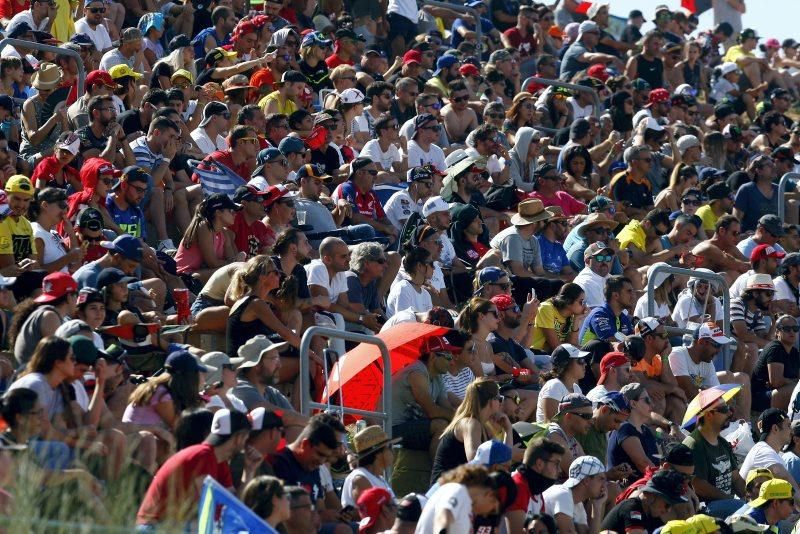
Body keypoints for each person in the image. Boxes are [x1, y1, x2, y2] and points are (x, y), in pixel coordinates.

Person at [136, 409, 251, 527]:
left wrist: (250, 470)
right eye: (246, 438)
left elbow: (233, 506)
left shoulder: (214, 458)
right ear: (239, 438)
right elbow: (207, 510)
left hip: (170, 525)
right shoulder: (202, 456)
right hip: (155, 527)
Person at [430, 378, 513, 484]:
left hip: (459, 485)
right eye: (499, 399)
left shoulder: (483, 426)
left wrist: (508, 430)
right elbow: (475, 460)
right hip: (445, 490)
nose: (501, 404)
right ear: (491, 402)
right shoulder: (470, 423)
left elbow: (505, 460)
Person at [683, 393, 747, 519]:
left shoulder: (722, 442)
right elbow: (699, 485)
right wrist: (731, 499)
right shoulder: (694, 445)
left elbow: (735, 478)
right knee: (743, 510)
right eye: (724, 410)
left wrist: (751, 497)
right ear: (708, 415)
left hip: (727, 502)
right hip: (704, 508)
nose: (729, 413)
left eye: (729, 408)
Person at [416, 464, 499, 533]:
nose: (486, 514)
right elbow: (443, 516)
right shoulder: (458, 490)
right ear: (490, 495)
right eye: (492, 510)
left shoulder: (465, 502)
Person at [600, 469, 689, 533]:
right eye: (667, 504)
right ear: (651, 496)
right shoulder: (632, 508)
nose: (668, 510)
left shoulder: (652, 516)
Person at [506, 437, 564, 532]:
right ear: (539, 464)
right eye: (556, 464)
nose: (560, 470)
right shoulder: (517, 486)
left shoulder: (536, 490)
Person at [542, 455, 607, 534]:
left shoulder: (577, 504)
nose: (604, 485)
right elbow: (568, 532)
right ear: (586, 480)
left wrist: (596, 507)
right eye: (601, 479)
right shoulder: (563, 494)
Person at [739, 408, 800, 492]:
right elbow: (788, 483)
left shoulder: (769, 451)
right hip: (749, 504)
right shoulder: (763, 452)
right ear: (775, 428)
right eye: (789, 426)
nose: (792, 431)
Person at [608, 383, 659, 481]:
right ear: (633, 404)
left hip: (646, 487)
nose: (652, 404)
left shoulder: (645, 430)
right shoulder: (625, 429)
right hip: (629, 491)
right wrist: (667, 481)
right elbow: (643, 464)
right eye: (647, 400)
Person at [341, 425, 399, 508]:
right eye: (389, 447)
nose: (392, 450)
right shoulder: (360, 479)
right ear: (378, 454)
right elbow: (374, 513)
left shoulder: (379, 478)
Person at [751, 315, 800, 411]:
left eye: (795, 329)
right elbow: (776, 382)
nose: (792, 332)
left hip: (777, 392)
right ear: (777, 332)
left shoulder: (795, 352)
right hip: (762, 396)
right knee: (796, 389)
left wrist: (787, 381)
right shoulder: (775, 348)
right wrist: (792, 381)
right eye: (787, 329)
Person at [536, 344, 588, 423]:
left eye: (583, 360)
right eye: (580, 360)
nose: (585, 364)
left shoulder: (576, 388)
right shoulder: (554, 386)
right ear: (565, 364)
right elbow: (551, 423)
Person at [531, 282, 588, 354]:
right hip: (536, 353)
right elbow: (556, 347)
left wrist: (576, 319)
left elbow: (572, 345)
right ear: (568, 301)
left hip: (551, 355)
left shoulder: (571, 315)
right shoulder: (546, 309)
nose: (585, 306)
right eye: (582, 302)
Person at [577, 275, 635, 345]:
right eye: (629, 291)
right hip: (589, 355)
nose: (633, 295)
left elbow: (632, 341)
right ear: (616, 295)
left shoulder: (622, 317)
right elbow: (612, 343)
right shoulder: (599, 314)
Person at [572, 242, 614, 309]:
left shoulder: (610, 278)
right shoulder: (585, 281)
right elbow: (598, 313)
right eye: (600, 258)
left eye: (608, 258)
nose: (605, 261)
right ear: (588, 261)